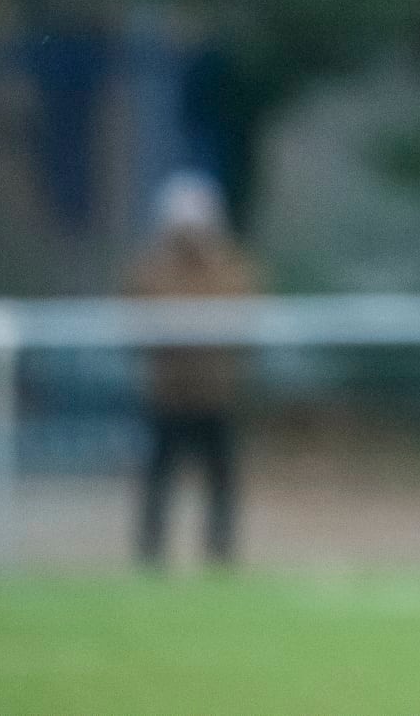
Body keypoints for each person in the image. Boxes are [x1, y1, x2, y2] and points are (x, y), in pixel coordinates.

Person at [127, 170, 259, 567]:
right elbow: (139, 312)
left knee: (221, 480)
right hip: (166, 395)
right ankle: (150, 553)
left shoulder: (229, 269)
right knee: (158, 477)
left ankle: (220, 553)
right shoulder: (151, 270)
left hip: (215, 395)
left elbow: (242, 311)